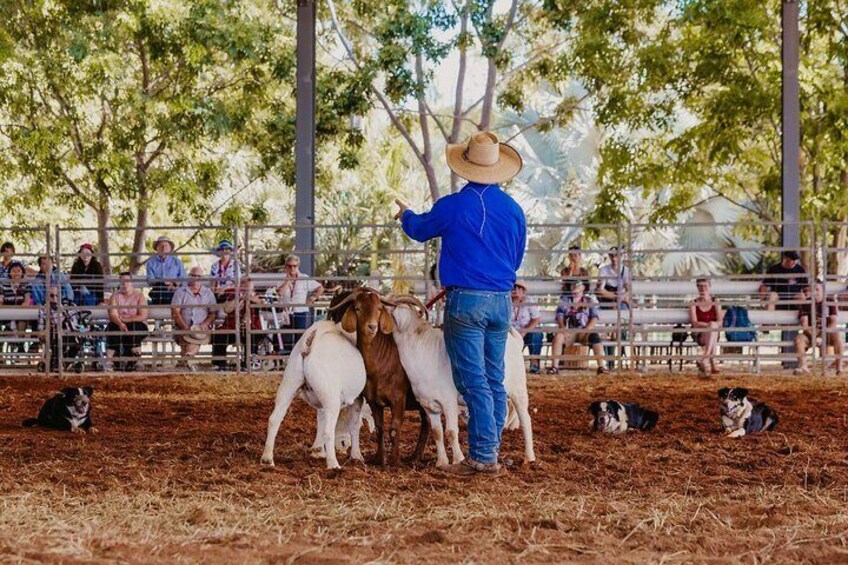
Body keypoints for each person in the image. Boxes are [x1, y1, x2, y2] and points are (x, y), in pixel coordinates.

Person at [397, 131, 525, 476]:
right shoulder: (514, 210)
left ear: (466, 166)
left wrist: (406, 215)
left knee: (473, 382)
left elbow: (420, 229)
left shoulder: (454, 205)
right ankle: (491, 450)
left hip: (465, 301)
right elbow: (515, 257)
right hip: (501, 302)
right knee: (493, 378)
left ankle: (483, 457)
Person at [760, 250, 807, 368]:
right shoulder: (774, 269)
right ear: (785, 259)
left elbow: (806, 289)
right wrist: (762, 299)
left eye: (795, 260)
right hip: (779, 299)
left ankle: (806, 321)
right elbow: (764, 286)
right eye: (791, 260)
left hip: (794, 299)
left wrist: (806, 296)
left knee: (801, 296)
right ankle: (768, 323)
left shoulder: (800, 270)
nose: (794, 262)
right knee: (772, 295)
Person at [549, 280, 605, 374]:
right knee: (558, 337)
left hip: (583, 331)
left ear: (583, 288)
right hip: (569, 331)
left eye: (578, 285)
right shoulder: (565, 300)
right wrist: (563, 329)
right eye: (573, 285)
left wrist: (587, 329)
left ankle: (601, 367)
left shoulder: (589, 301)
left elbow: (594, 317)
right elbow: (559, 316)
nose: (575, 286)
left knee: (595, 336)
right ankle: (554, 367)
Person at [213, 277, 264, 371]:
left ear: (253, 286)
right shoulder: (233, 296)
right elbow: (227, 309)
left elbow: (262, 303)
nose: (246, 286)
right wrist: (239, 298)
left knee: (253, 337)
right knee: (220, 335)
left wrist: (249, 298)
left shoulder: (257, 296)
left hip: (250, 328)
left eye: (248, 284)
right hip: (232, 327)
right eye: (243, 284)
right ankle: (219, 364)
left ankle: (248, 363)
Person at [275, 254, 324, 352]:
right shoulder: (282, 279)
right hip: (287, 313)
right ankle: (286, 359)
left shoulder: (304, 278)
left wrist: (313, 297)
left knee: (300, 338)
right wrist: (288, 281)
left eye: (294, 266)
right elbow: (279, 293)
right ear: (285, 267)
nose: (292, 268)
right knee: (286, 339)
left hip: (300, 311)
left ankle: (298, 359)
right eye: (289, 266)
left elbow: (320, 288)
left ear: (298, 266)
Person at [794, 282, 843, 375]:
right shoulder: (805, 303)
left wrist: (822, 335)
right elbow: (804, 324)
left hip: (827, 331)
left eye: (817, 289)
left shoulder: (830, 301)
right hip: (810, 332)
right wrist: (814, 336)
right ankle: (803, 367)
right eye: (812, 290)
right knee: (799, 340)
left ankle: (839, 368)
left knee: (837, 335)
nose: (814, 292)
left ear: (823, 291)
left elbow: (833, 321)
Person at [171, 267, 217, 365]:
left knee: (194, 341)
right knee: (186, 342)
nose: (196, 278)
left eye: (199, 276)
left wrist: (204, 325)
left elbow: (213, 313)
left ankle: (186, 358)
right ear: (189, 276)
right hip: (183, 326)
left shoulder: (208, 293)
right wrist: (185, 327)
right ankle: (186, 359)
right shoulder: (180, 292)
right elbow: (175, 311)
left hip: (201, 329)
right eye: (193, 275)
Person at [595, 247, 631, 369]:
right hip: (608, 301)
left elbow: (628, 289)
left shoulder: (625, 270)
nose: (614, 258)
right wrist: (617, 297)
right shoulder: (604, 270)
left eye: (616, 255)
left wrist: (620, 298)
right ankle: (610, 360)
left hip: (618, 301)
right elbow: (600, 290)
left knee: (619, 325)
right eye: (612, 256)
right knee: (607, 327)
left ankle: (616, 355)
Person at [104, 272, 148, 372]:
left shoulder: (139, 295)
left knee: (134, 328)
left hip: (135, 322)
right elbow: (112, 313)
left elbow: (143, 315)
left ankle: (137, 359)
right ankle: (109, 360)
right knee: (111, 327)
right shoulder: (115, 296)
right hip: (119, 322)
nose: (125, 284)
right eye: (122, 281)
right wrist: (120, 323)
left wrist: (126, 320)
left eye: (127, 281)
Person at [688, 278, 722, 376]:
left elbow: (720, 321)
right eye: (700, 286)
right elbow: (694, 323)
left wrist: (711, 326)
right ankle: (712, 360)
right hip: (699, 334)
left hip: (713, 332)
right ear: (697, 288)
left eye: (705, 286)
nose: (703, 289)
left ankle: (706, 357)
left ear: (709, 287)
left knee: (713, 327)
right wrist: (709, 325)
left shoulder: (716, 301)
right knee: (713, 327)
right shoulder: (693, 303)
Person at [511, 280, 542, 374]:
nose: (516, 290)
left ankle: (534, 363)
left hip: (526, 331)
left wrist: (524, 331)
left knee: (536, 334)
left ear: (523, 291)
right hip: (510, 331)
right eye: (514, 288)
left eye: (519, 288)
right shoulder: (505, 301)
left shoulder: (529, 300)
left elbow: (536, 319)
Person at [146, 236, 186, 305]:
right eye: (161, 245)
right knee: (161, 288)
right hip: (158, 289)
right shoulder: (151, 262)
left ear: (170, 248)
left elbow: (183, 277)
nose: (164, 247)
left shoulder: (177, 262)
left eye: (166, 245)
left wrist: (173, 284)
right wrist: (164, 283)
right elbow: (150, 279)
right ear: (157, 248)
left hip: (173, 290)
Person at [0, 261, 32, 337]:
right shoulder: (3, 284)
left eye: (18, 271)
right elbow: (1, 297)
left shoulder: (26, 284)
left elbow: (27, 300)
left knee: (22, 319)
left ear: (22, 273)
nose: (16, 273)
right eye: (13, 271)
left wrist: (25, 303)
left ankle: (20, 343)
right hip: (7, 310)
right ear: (9, 273)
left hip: (20, 310)